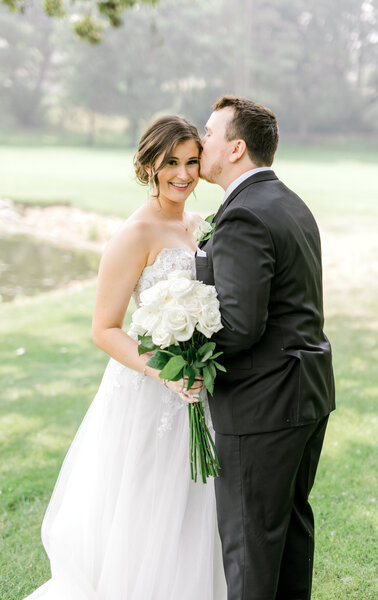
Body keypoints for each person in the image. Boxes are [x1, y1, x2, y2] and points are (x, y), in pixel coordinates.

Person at [23, 115, 226, 600]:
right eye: (171, 162)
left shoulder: (200, 226)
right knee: (147, 504)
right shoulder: (133, 235)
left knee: (195, 505)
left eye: (192, 162)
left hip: (199, 388)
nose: (183, 174)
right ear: (149, 165)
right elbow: (104, 328)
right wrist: (166, 373)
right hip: (150, 391)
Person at [196, 96, 335, 600]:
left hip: (263, 403)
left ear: (236, 148)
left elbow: (240, 324)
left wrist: (187, 348)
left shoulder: (245, 215)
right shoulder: (288, 201)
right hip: (306, 393)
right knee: (288, 535)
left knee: (250, 549)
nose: (199, 139)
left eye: (208, 132)